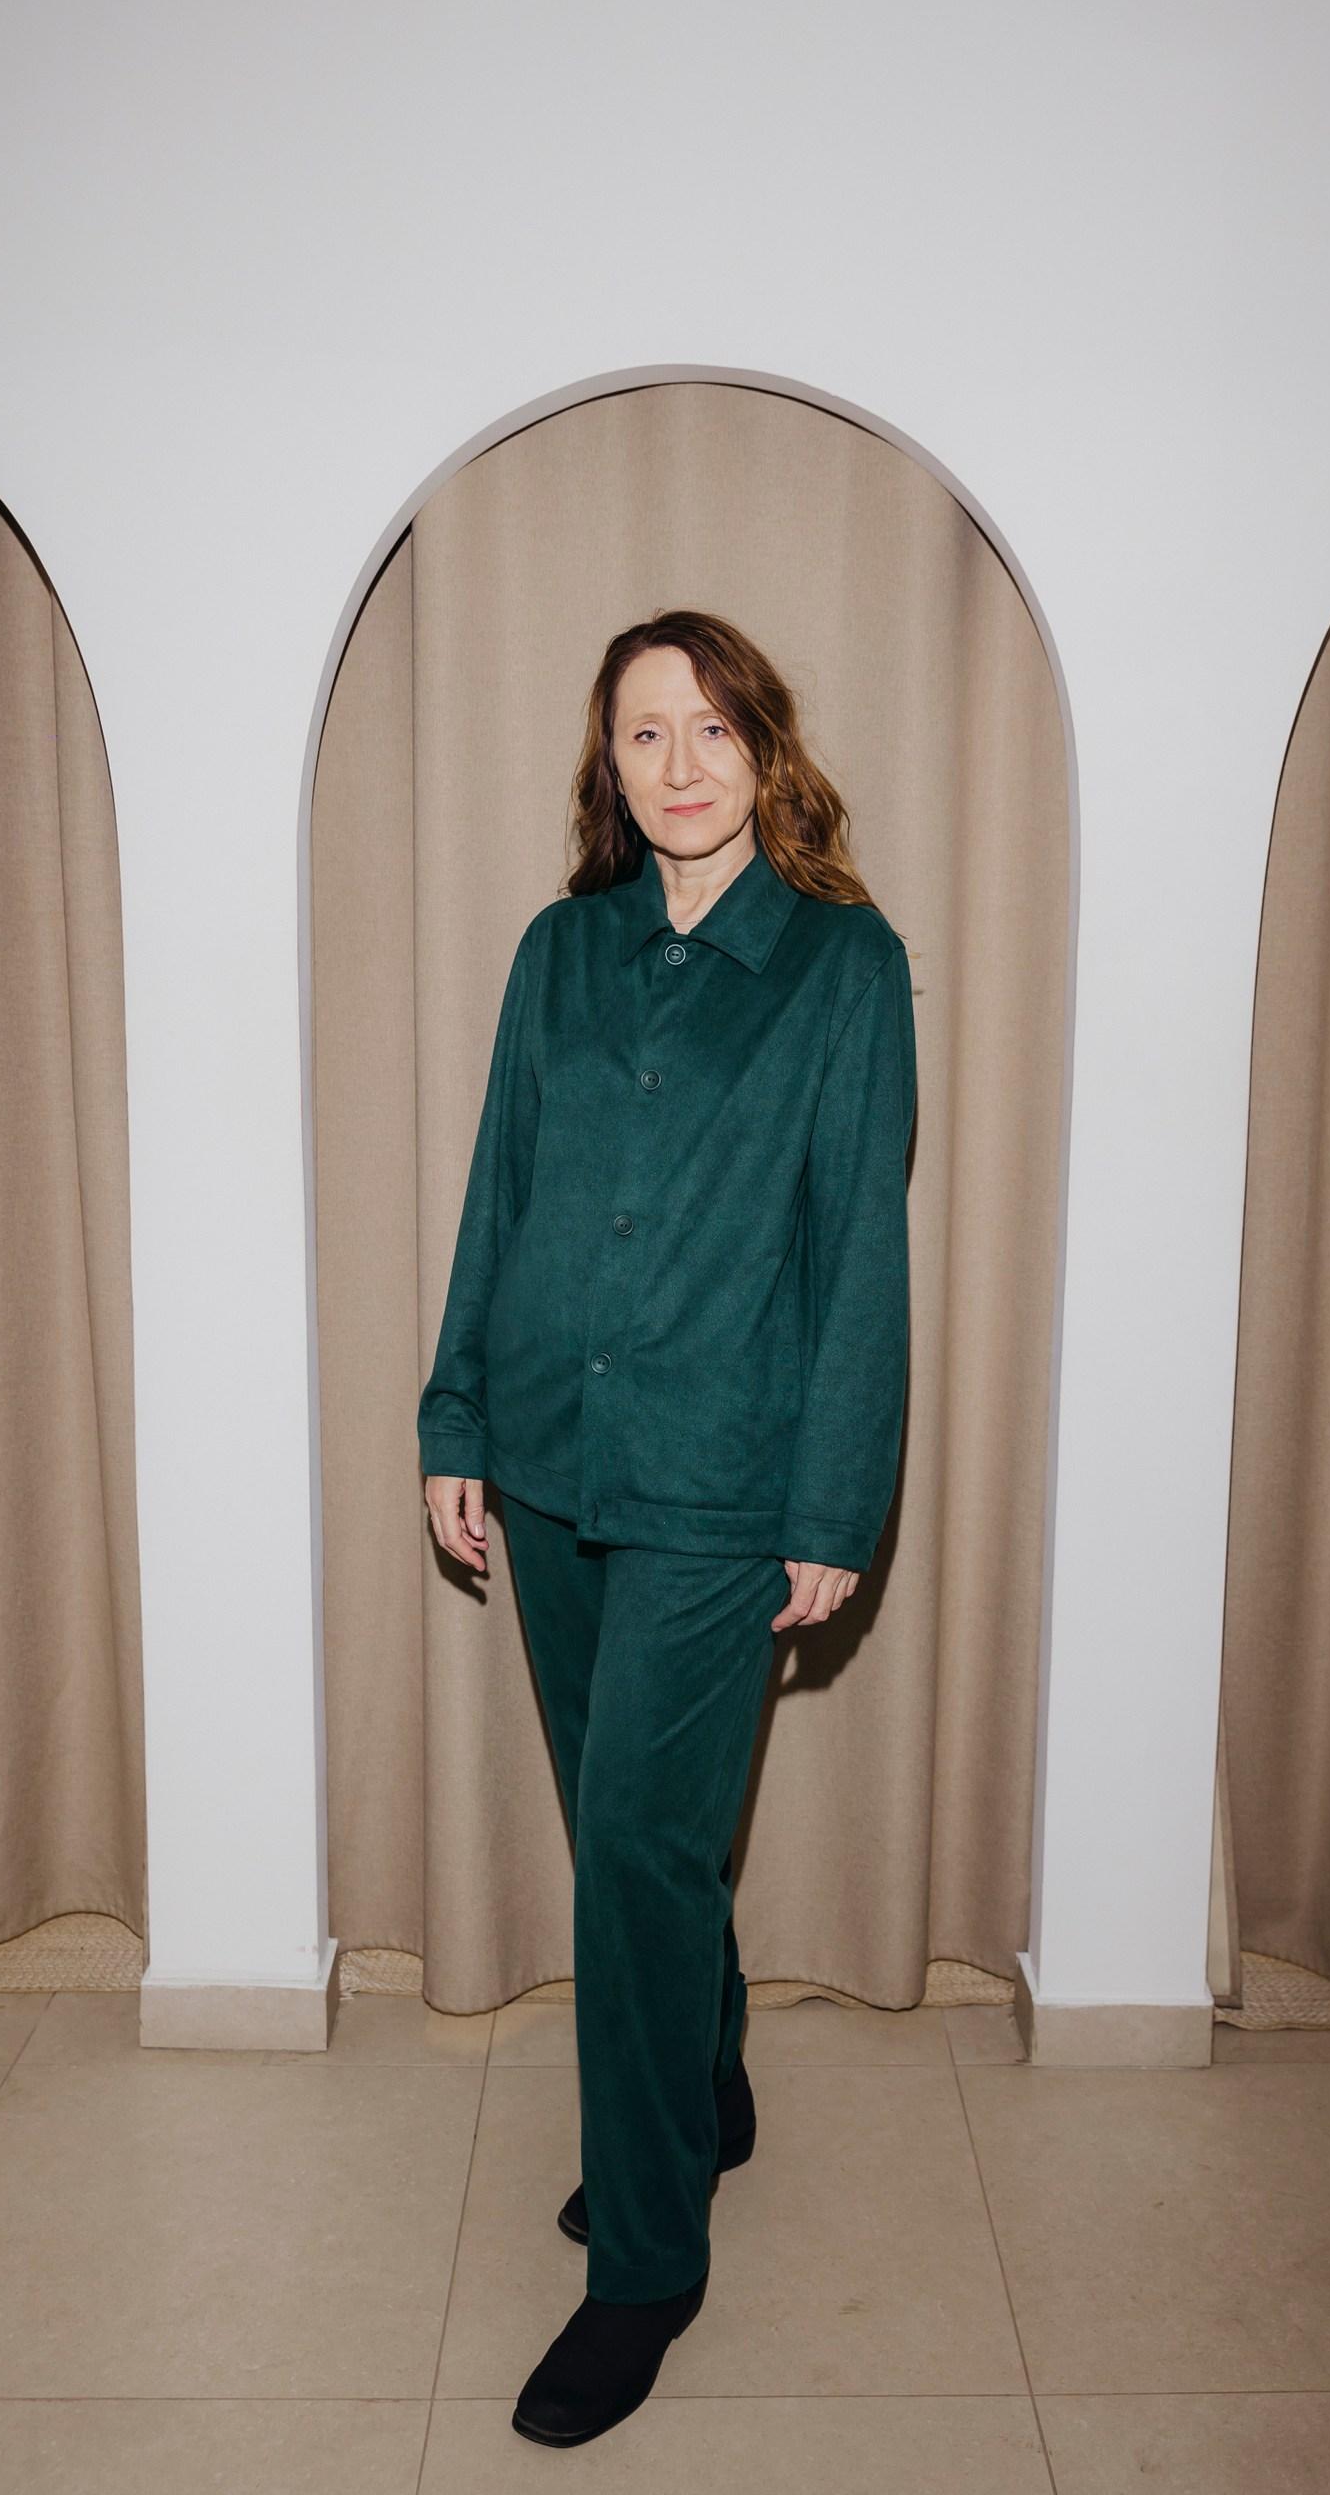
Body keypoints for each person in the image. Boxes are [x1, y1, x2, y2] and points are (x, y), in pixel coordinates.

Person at [419, 606, 916, 2448]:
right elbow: (501, 1192)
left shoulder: (844, 967)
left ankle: (646, 2261)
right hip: (550, 1463)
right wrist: (456, 1416)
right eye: (645, 733)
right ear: (609, 767)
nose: (680, 762)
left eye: (712, 727)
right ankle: (705, 2083)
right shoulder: (560, 953)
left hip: (723, 1484)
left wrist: (834, 1501)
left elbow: (861, 1255)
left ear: (764, 750)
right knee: (630, 1829)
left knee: (631, 1849)